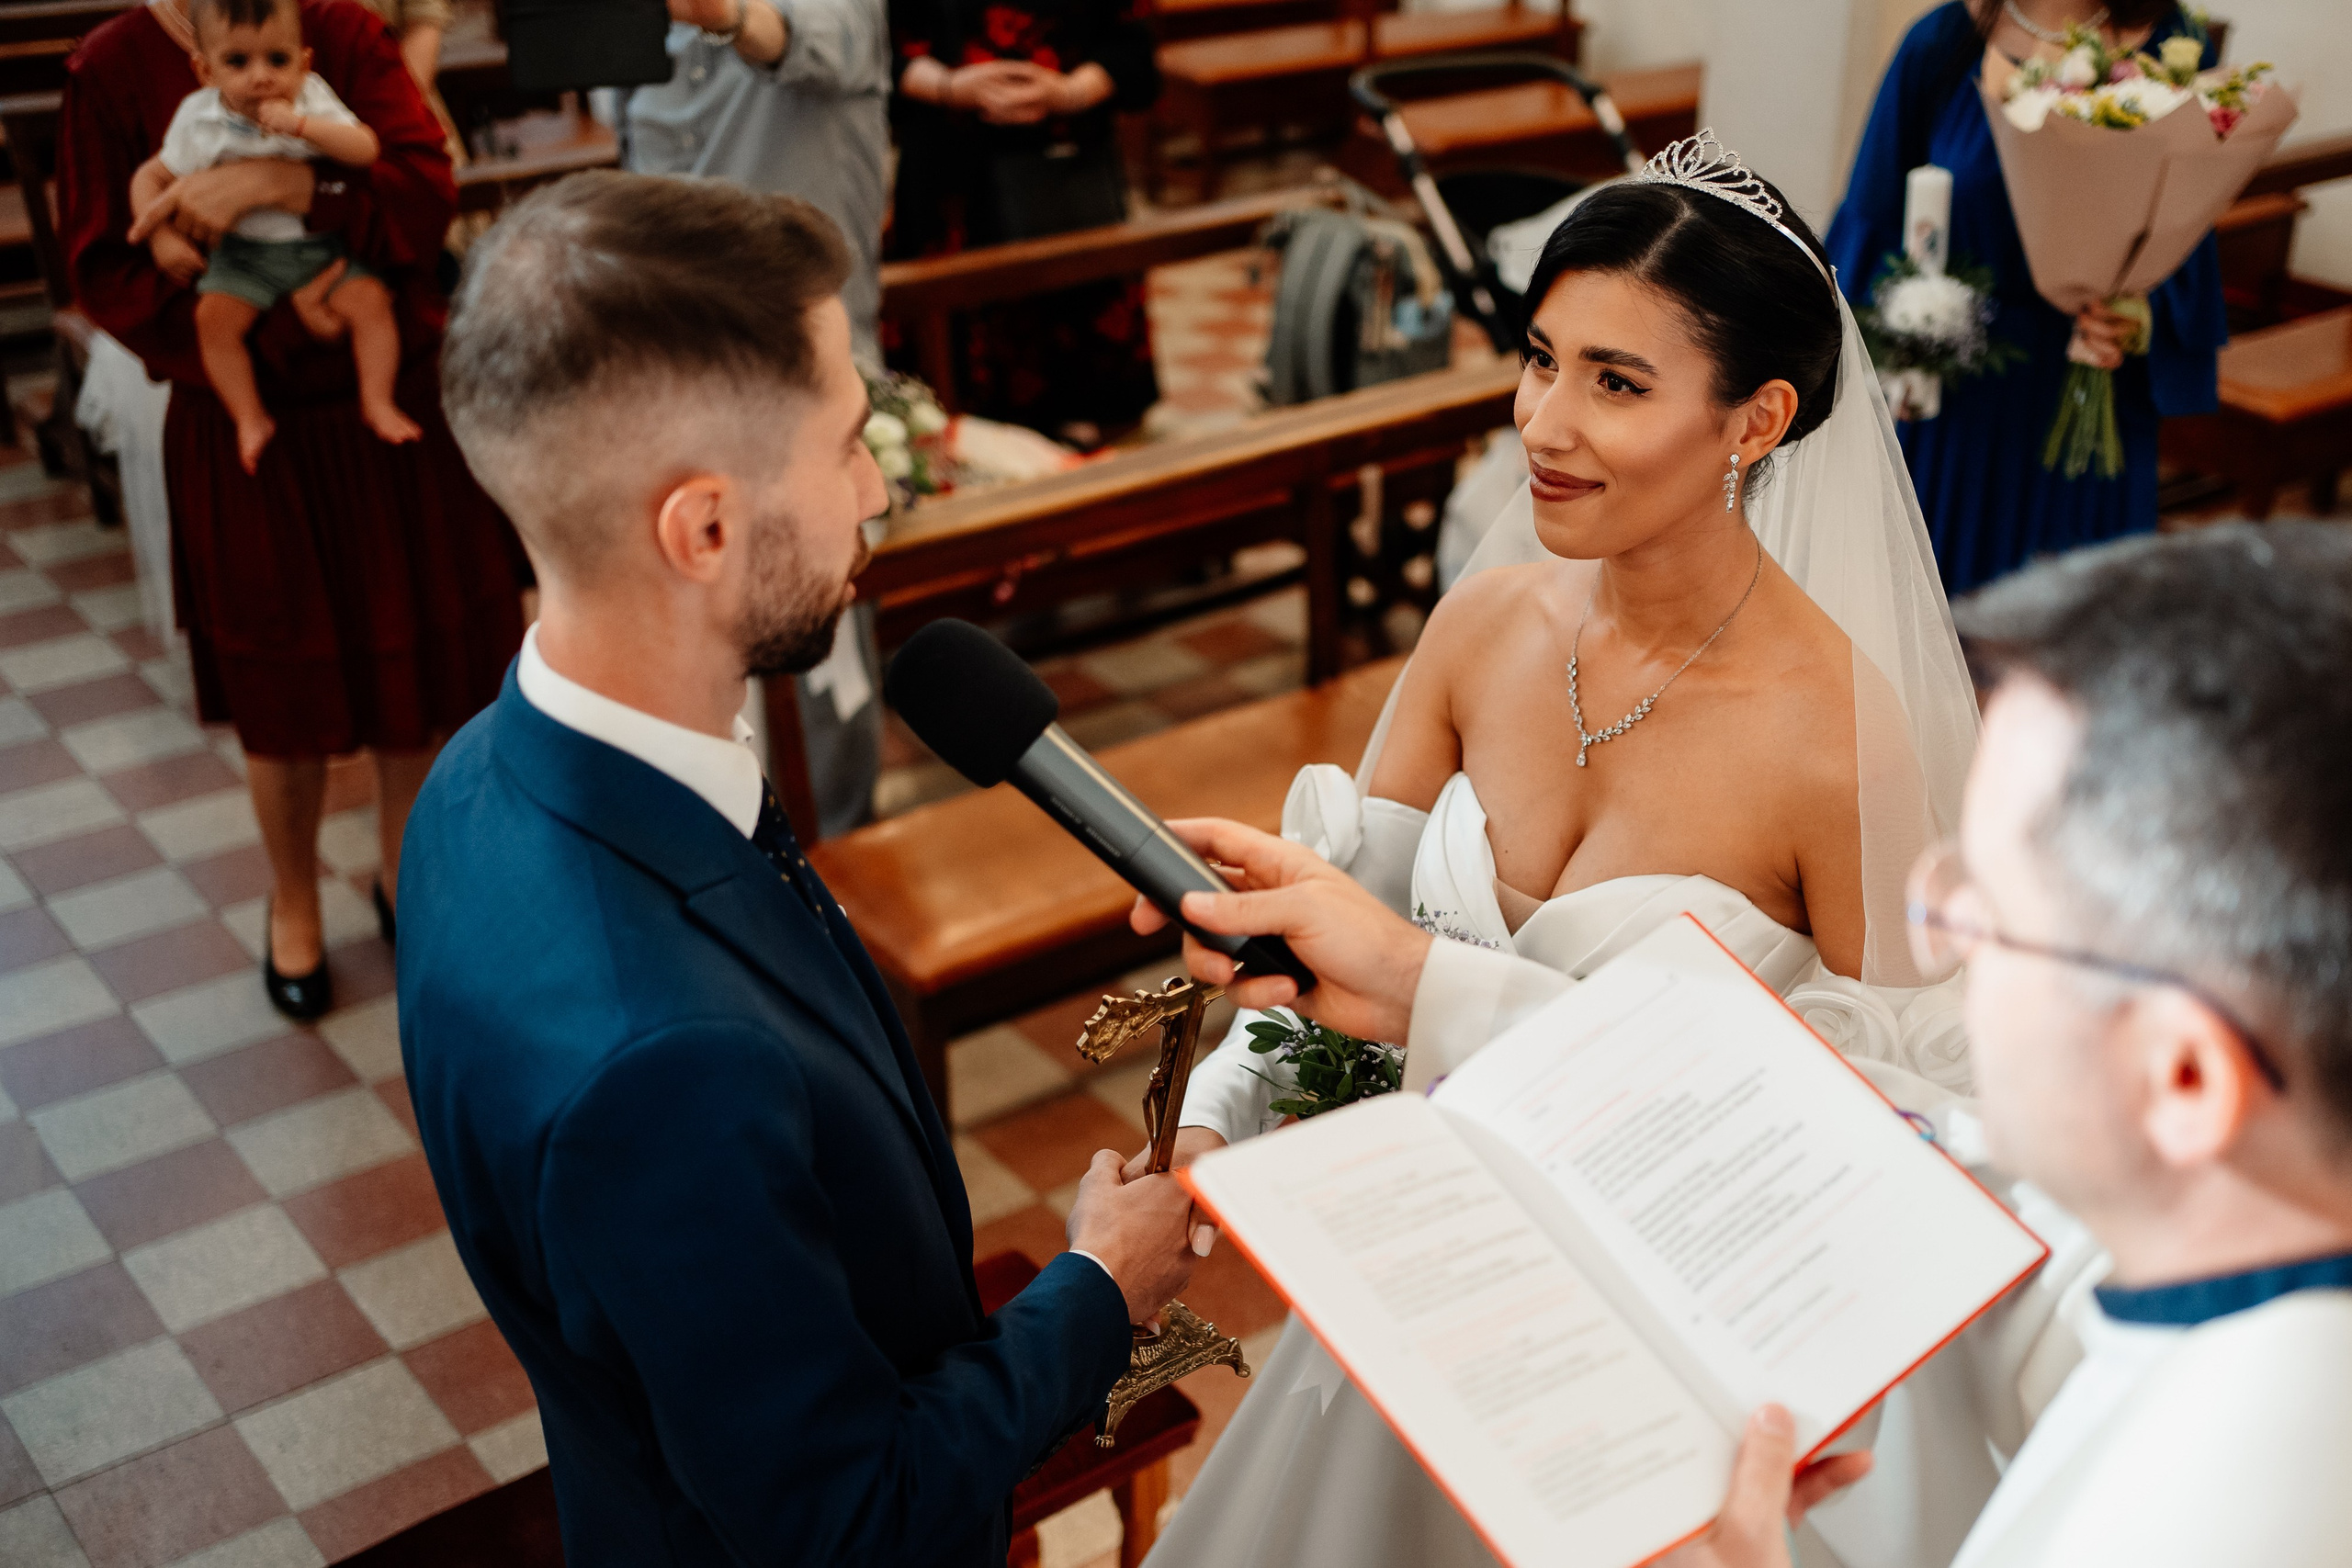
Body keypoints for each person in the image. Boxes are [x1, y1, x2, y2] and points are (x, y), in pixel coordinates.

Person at [1143, 522, 2352, 1567]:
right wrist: (1419, 979)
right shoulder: (2209, 1239)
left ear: (2186, 1073)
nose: (1944, 930)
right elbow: (1879, 1136)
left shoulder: (2231, 1495)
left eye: (1997, 911)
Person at [1139, 133, 2007, 1568]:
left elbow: (1888, 1115)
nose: (1545, 421)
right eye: (1543, 357)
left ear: (1756, 418)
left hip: (1662, 1346)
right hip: (1432, 1285)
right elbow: (1336, 924)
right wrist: (1218, 1123)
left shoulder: (1839, 734)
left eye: (1617, 383)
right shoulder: (1487, 626)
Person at [402, 172, 1201, 1565]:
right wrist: (1097, 1286)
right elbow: (845, 1509)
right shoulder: (664, 1064)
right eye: (845, 444)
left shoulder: (477, 773)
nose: (880, 486)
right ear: (702, 529)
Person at [59, 0, 524, 1021]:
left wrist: (291, 186)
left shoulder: (339, 31)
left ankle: (407, 878)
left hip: (382, 397)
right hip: (249, 425)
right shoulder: (111, 66)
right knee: (281, 698)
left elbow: (421, 182)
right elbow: (101, 258)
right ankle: (294, 899)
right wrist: (228, 306)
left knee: (419, 663)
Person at [1826, 0, 2227, 594]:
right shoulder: (1943, 42)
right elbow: (1873, 224)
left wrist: (2138, 317)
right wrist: (1902, 337)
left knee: (2074, 636)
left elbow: (2189, 236)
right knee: (1943, 623)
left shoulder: (2174, 45)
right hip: (1964, 396)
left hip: (2095, 390)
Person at [627, 0, 891, 839]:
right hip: (678, 376)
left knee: (817, 629)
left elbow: (819, 42)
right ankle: (728, 855)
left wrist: (724, 13)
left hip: (810, 384)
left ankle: (839, 861)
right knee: (698, 635)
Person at [133, 0, 421, 474]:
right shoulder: (198, 119)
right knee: (214, 321)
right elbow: (148, 179)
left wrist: (305, 126)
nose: (261, 77)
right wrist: (159, 236)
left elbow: (367, 149)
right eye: (238, 62)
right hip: (242, 256)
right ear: (204, 70)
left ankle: (378, 401)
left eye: (278, 60)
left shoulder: (310, 97)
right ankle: (250, 418)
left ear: (304, 62)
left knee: (371, 302)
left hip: (318, 246)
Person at [889, 0, 1160, 444]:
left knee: (1088, 406)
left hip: (1067, 168)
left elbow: (1133, 46)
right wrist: (949, 86)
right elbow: (867, 53)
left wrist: (1069, 92)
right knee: (950, 409)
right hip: (950, 174)